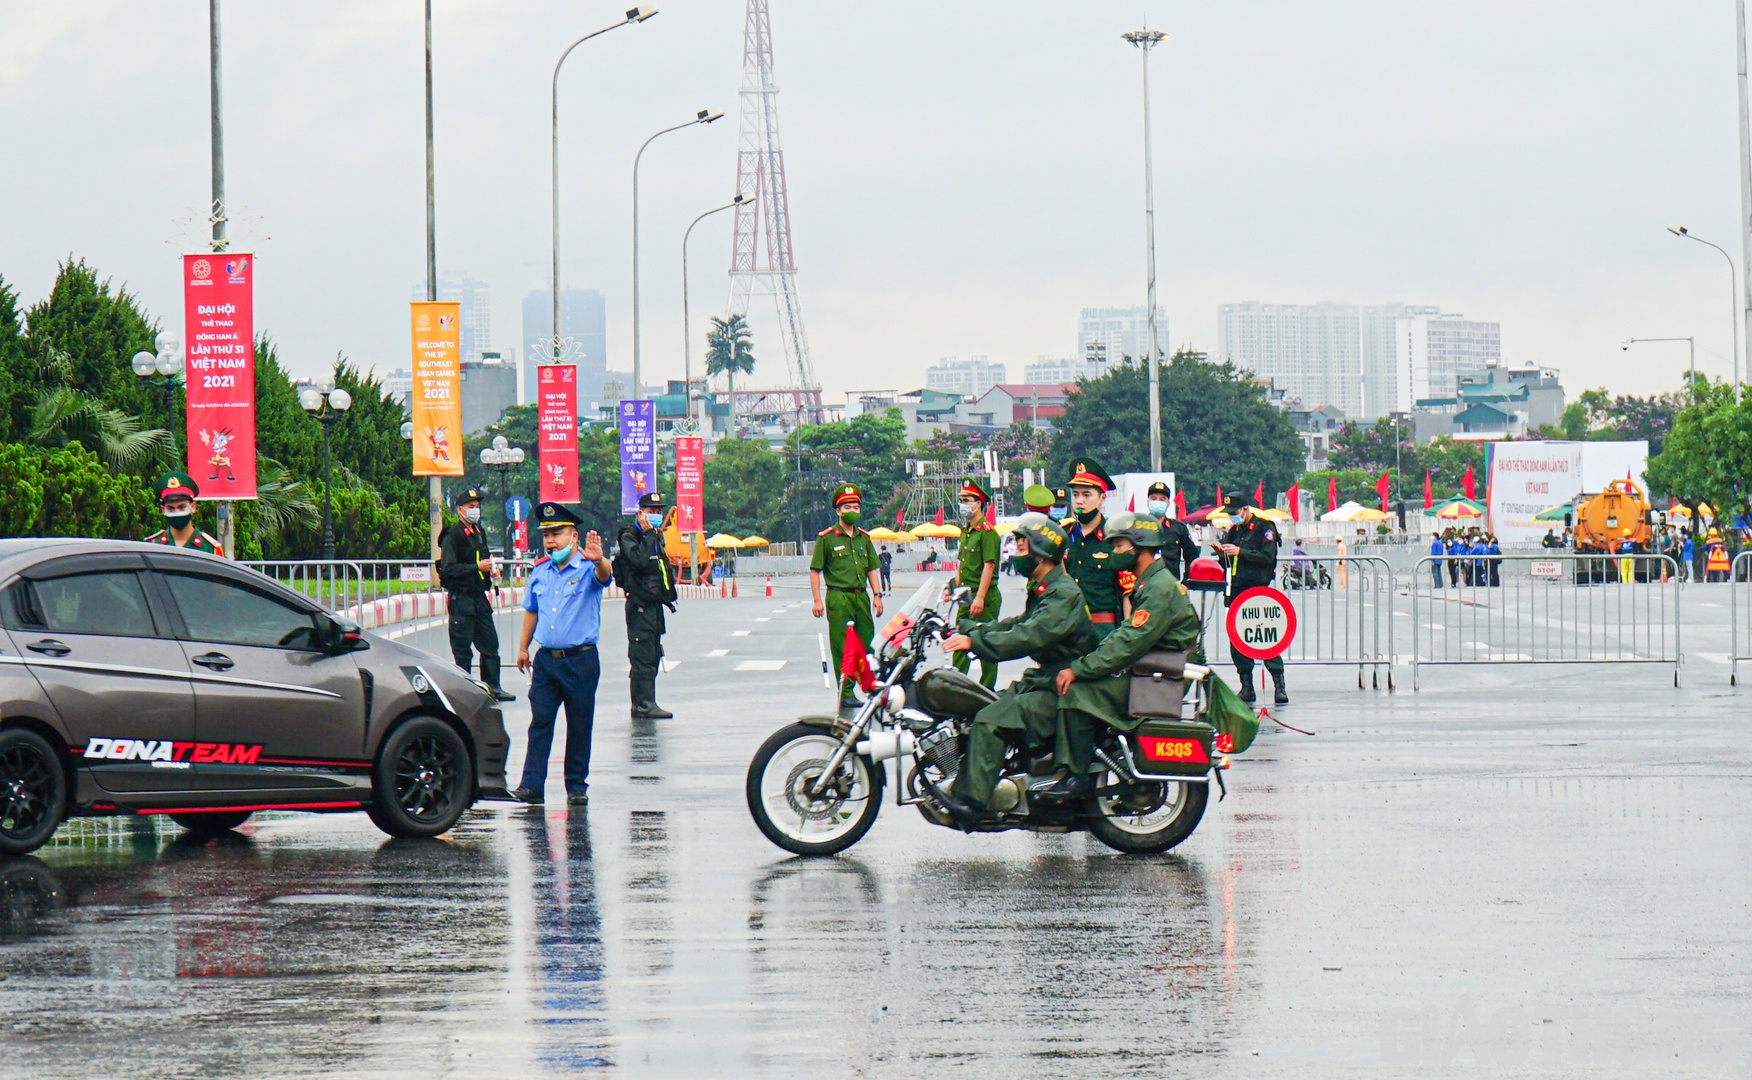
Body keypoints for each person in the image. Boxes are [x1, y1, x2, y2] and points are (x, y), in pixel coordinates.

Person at [933, 513, 1097, 827]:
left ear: (1041, 552)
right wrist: (968, 628)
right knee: (986, 702)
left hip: (1063, 688)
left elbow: (1029, 636)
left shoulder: (1063, 594)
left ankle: (970, 804)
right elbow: (1018, 624)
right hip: (1046, 680)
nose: (1015, 556)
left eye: (1021, 550)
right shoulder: (1046, 588)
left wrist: (974, 644)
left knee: (991, 719)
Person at [1047, 511, 1203, 801]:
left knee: (1076, 692)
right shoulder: (1149, 582)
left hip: (1160, 676)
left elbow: (1129, 642)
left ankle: (1076, 778)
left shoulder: (1158, 588)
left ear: (1139, 548)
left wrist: (1079, 669)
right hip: (1153, 669)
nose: (1114, 552)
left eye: (1119, 546)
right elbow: (1126, 636)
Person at [513, 502, 614, 806]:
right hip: (546, 661)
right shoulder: (541, 571)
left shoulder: (587, 568)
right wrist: (522, 647)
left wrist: (600, 561)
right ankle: (531, 785)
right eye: (546, 535)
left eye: (557, 533)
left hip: (580, 660)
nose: (551, 541)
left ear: (573, 535)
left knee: (579, 724)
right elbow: (531, 610)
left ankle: (576, 786)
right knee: (540, 722)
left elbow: (605, 575)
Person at [810, 483, 884, 709]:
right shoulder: (827, 538)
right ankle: (846, 691)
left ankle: (869, 684)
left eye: (856, 506)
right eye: (848, 507)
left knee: (866, 641)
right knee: (843, 646)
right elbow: (815, 570)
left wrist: (878, 595)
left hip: (861, 597)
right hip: (839, 597)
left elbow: (872, 568)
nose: (853, 510)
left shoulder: (864, 538)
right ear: (838, 511)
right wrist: (817, 600)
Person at [438, 487, 513, 702]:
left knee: (490, 643)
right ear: (460, 510)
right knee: (462, 649)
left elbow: (484, 558)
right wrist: (475, 567)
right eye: (471, 507)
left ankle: (493, 686)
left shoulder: (479, 532)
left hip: (479, 597)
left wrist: (491, 569)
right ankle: (464, 690)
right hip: (460, 597)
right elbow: (449, 568)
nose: (475, 510)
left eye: (477, 507)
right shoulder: (453, 535)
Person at [1217, 490, 1287, 705]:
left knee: (1265, 638)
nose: (1232, 516)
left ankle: (1279, 685)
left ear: (1246, 509)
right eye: (1229, 513)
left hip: (1258, 591)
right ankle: (1246, 686)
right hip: (1237, 589)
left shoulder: (1264, 528)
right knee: (1238, 639)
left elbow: (1267, 557)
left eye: (1235, 512)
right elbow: (1229, 564)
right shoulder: (1233, 531)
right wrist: (1222, 555)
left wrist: (1240, 552)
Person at [616, 492, 678, 720]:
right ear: (640, 512)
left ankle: (649, 701)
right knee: (641, 656)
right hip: (639, 605)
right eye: (651, 511)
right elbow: (639, 561)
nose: (655, 515)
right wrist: (650, 535)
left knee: (652, 654)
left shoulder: (654, 536)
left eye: (658, 511)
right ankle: (641, 705)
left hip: (654, 606)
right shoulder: (629, 536)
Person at [1060, 459, 1122, 639]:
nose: (1079, 501)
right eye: (1076, 494)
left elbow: (1127, 593)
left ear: (1102, 498)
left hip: (1102, 630)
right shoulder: (1063, 535)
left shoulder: (1114, 537)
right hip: (1067, 628)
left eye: (1087, 495)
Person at [951, 478, 1003, 688]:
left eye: (967, 499)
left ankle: (987, 689)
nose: (963, 504)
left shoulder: (987, 533)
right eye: (961, 499)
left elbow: (988, 567)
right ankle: (955, 685)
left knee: (985, 643)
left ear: (978, 503)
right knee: (959, 642)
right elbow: (961, 566)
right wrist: (952, 589)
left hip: (985, 596)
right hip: (965, 595)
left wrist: (980, 597)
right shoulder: (965, 532)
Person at [144, 472, 224, 555]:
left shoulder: (209, 548)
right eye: (170, 508)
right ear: (163, 509)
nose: (177, 512)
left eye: (182, 507)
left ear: (193, 507)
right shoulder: (152, 545)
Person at [1144, 480, 1201, 581]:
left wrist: (1185, 583)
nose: (1158, 502)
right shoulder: (1138, 527)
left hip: (1171, 585)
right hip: (1143, 584)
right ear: (1148, 502)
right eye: (1153, 498)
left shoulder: (1178, 528)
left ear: (1168, 504)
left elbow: (1192, 555)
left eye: (1162, 499)